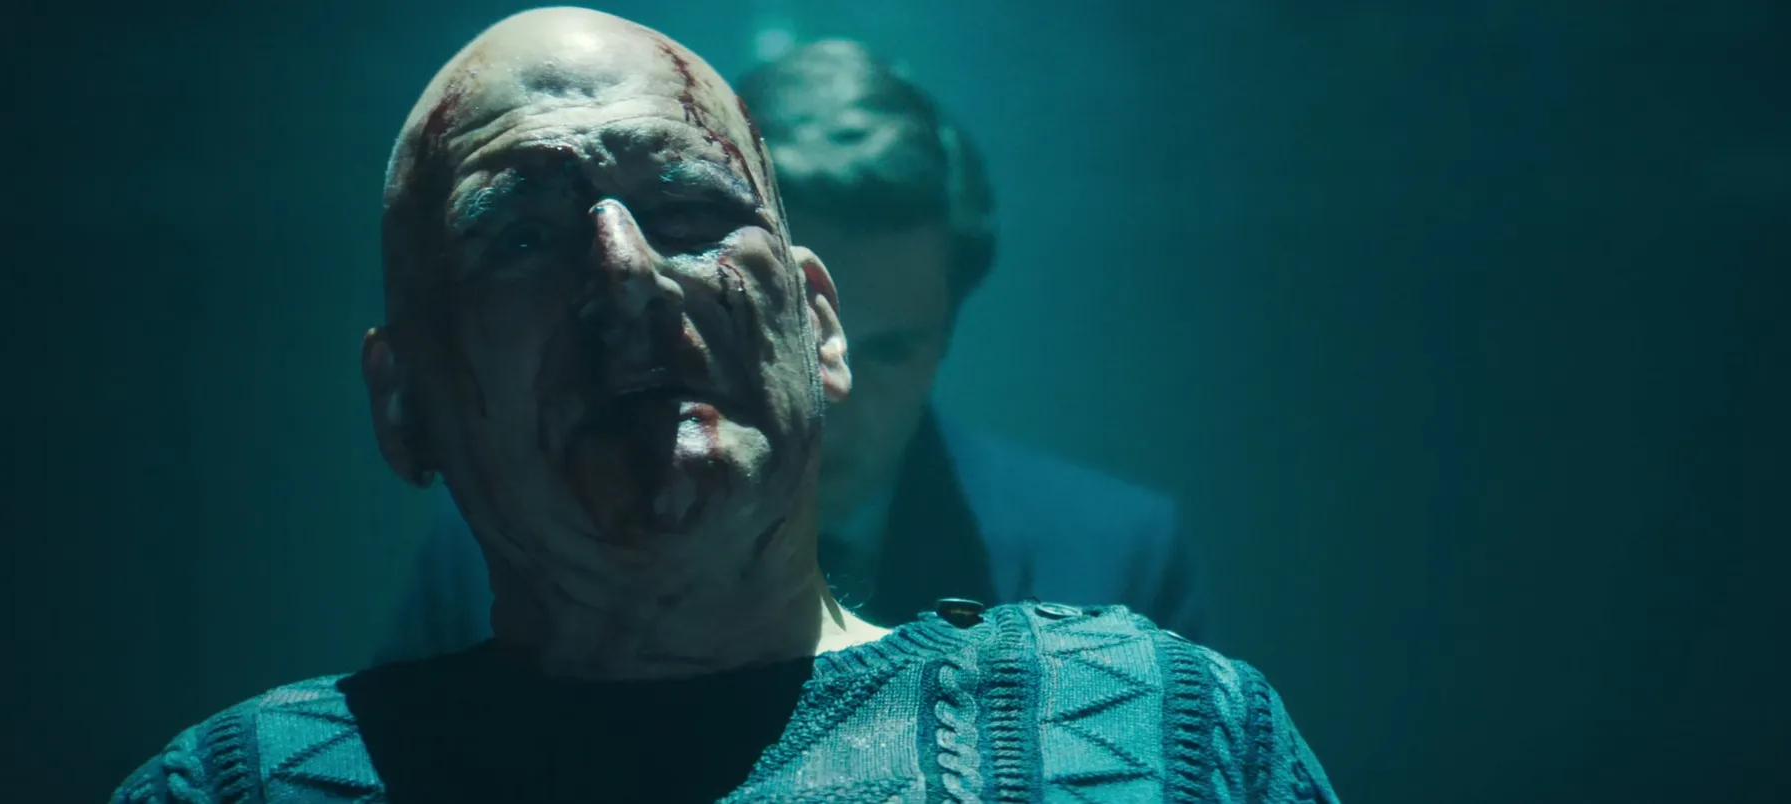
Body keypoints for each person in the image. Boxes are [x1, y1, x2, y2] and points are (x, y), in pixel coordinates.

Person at [111, 9, 1337, 803]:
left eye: (692, 211)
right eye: (521, 236)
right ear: (402, 403)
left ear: (818, 324)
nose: (626, 276)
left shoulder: (1171, 732)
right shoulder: (239, 786)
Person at [373, 37, 1212, 666]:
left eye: (894, 350)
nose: (840, 393)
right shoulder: (495, 542)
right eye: (692, 226)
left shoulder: (1111, 556)